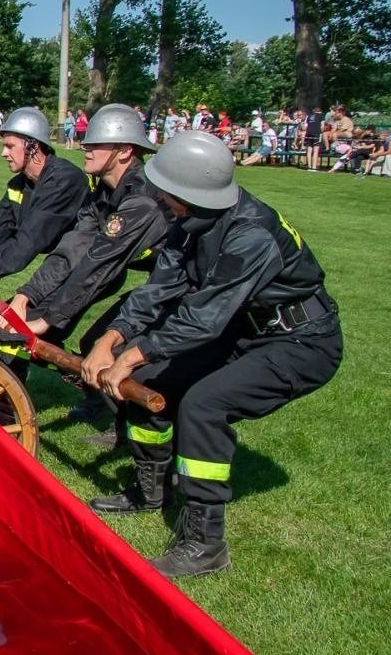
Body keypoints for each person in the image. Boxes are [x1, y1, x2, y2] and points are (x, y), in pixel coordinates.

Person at [80, 131, 341, 577]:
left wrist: (131, 355)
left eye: (166, 190)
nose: (158, 195)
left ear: (190, 193)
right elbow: (159, 291)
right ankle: (151, 491)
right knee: (152, 382)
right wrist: (111, 339)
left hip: (300, 341)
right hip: (246, 328)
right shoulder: (191, 222)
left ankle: (204, 543)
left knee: (204, 406)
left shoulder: (249, 235)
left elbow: (203, 318)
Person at [6, 104, 170, 434]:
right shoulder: (104, 193)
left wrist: (50, 319)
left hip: (188, 286)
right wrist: (28, 296)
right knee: (61, 328)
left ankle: (125, 430)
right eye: (86, 140)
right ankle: (13, 401)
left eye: (95, 144)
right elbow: (72, 251)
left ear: (124, 151)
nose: (84, 147)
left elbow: (101, 265)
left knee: (109, 345)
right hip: (156, 277)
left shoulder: (143, 199)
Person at [0, 107, 89, 284]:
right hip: (63, 259)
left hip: (87, 264)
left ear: (33, 146)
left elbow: (29, 240)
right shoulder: (17, 185)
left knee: (26, 310)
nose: (3, 154)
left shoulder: (64, 181)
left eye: (9, 146)